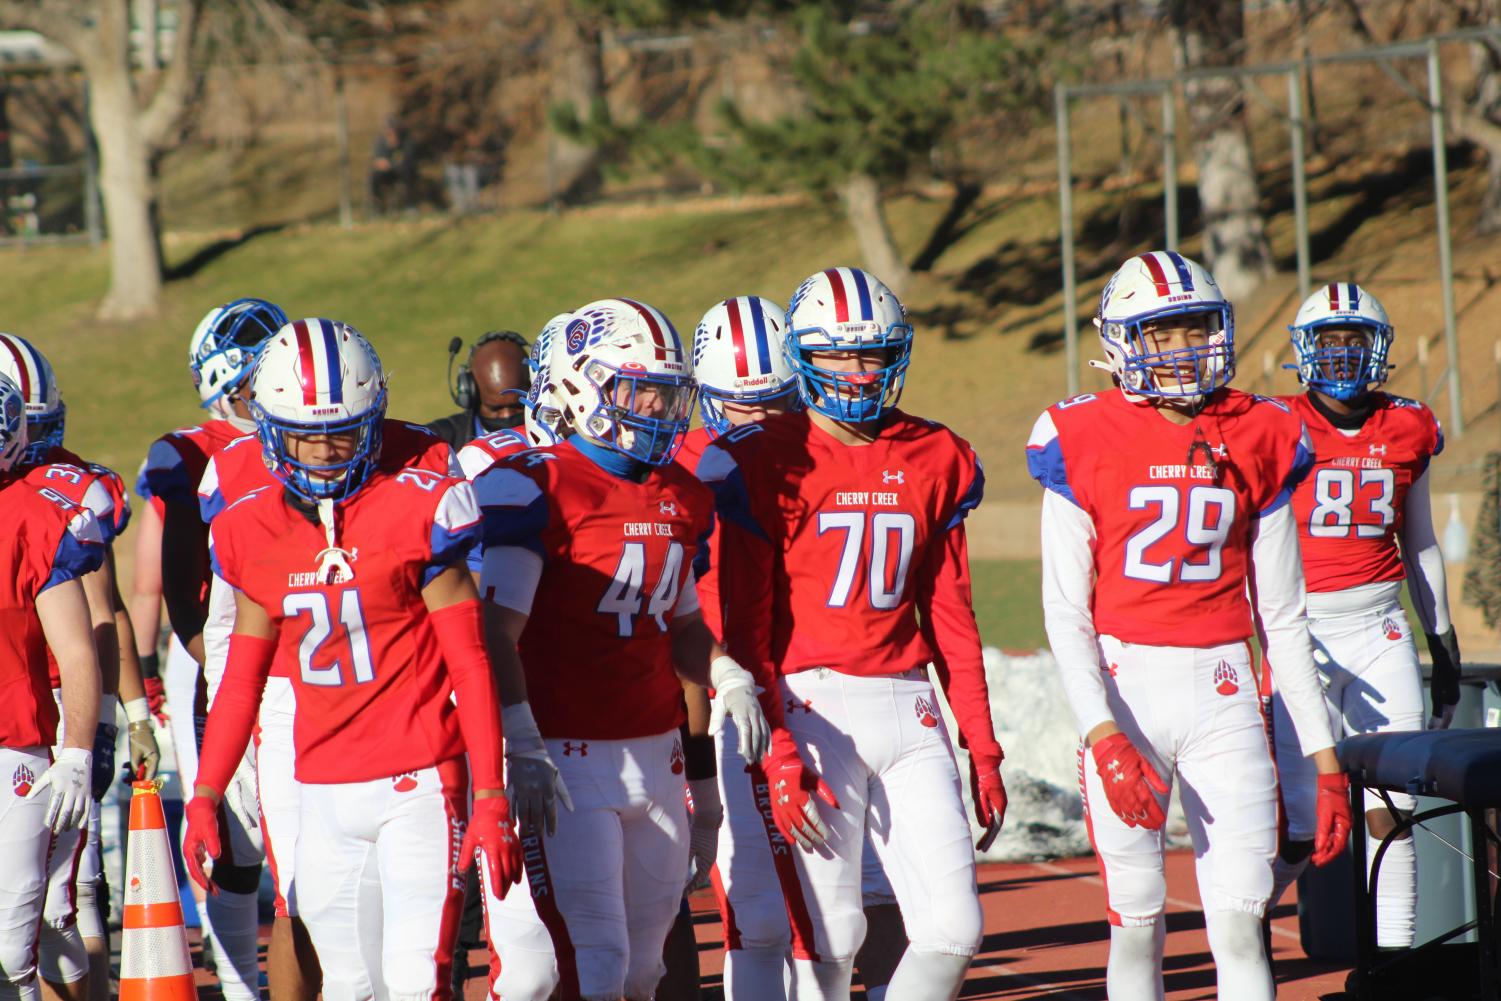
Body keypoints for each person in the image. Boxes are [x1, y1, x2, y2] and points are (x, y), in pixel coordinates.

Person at [1027, 251, 1354, 1001]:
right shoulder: (1078, 433)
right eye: (1160, 333)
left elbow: (1282, 616)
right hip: (1125, 684)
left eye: (1195, 327)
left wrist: (1323, 757)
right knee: (1136, 922)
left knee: (1240, 921)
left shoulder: (1261, 430)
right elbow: (1064, 612)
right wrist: (1099, 731)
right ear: (1119, 342)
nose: (1183, 349)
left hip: (1223, 686)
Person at [185, 318, 523, 1000]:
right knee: (347, 986)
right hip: (320, 788)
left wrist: (489, 790)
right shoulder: (251, 525)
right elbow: (245, 678)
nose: (323, 451)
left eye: (341, 430)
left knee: (414, 981)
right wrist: (204, 790)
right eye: (304, 433)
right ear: (268, 426)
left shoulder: (417, 500)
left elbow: (470, 660)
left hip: (420, 781)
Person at [698, 267, 1007, 1001]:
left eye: (872, 353)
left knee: (954, 927)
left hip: (908, 701)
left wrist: (983, 744)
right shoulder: (762, 456)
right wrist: (772, 742)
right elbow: (746, 627)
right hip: (812, 703)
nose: (858, 371)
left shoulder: (938, 453)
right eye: (838, 354)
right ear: (801, 355)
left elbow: (952, 616)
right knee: (829, 936)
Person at [471, 297, 774, 1001]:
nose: (657, 409)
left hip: (655, 754)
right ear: (579, 386)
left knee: (643, 972)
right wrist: (519, 740)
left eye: (668, 393)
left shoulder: (681, 492)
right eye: (638, 389)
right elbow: (495, 635)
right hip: (564, 759)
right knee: (593, 966)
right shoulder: (536, 485)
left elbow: (684, 623)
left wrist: (725, 674)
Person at [1266, 283, 1459, 948]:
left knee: (1393, 812)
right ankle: (1242, 920)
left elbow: (1420, 541)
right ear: (1302, 350)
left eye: (1354, 341)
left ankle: (1395, 964)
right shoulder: (1271, 424)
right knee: (1300, 826)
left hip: (1379, 627)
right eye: (1328, 341)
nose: (1342, 356)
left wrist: (1442, 643)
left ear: (1378, 348)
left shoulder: (1409, 423)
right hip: (1300, 634)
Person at [0, 333, 158, 1001]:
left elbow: (99, 619)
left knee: (49, 917)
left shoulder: (48, 508)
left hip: (38, 727)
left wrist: (97, 731)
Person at [139, 297, 286, 998]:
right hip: (216, 647)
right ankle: (237, 982)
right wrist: (203, 656)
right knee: (234, 837)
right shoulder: (188, 452)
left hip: (292, 649)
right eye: (262, 379)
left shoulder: (304, 438)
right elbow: (168, 577)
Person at [0, 371, 106, 999]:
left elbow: (77, 645)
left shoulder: (34, 517)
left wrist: (77, 750)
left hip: (15, 750)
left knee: (13, 953)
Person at [429, 331, 532, 450]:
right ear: (470, 392)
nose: (506, 415)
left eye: (518, 406)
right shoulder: (436, 441)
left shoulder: (555, 432)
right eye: (495, 408)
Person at [369, 116, 416, 215]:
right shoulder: (381, 141)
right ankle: (376, 206)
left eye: (392, 130)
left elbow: (406, 159)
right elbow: (377, 159)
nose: (389, 133)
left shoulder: (406, 140)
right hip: (386, 172)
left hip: (402, 171)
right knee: (374, 176)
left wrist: (390, 163)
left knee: (408, 172)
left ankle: (410, 206)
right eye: (387, 130)